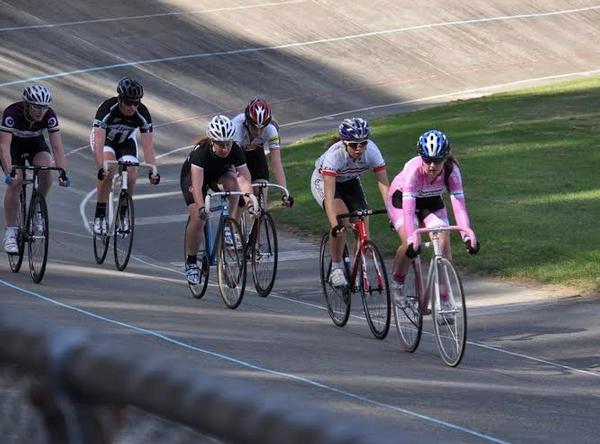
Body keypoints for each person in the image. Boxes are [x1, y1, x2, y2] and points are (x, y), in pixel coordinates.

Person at [386, 129, 479, 307]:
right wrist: (413, 237)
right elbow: (408, 208)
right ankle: (398, 283)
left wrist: (467, 236)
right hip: (402, 201)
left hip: (431, 201)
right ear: (421, 157)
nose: (431, 166)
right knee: (410, 243)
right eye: (427, 160)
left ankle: (444, 298)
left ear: (445, 158)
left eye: (437, 161)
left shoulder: (452, 170)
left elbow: (459, 207)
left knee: (443, 245)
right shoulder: (413, 170)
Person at [310, 117, 389, 288]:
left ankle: (357, 267)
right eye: (354, 145)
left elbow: (384, 185)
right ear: (345, 143)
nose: (359, 148)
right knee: (341, 220)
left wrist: (393, 214)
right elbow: (330, 195)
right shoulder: (335, 155)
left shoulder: (373, 151)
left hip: (350, 181)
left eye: (363, 143)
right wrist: (335, 225)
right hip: (326, 182)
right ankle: (336, 268)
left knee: (362, 222)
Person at [180, 115, 255, 285]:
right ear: (213, 142)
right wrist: (201, 208)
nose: (226, 148)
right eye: (221, 145)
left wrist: (251, 200)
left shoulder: (235, 149)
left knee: (234, 185)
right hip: (193, 179)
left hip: (218, 175)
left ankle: (230, 228)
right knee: (198, 218)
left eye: (228, 143)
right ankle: (191, 262)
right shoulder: (201, 153)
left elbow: (244, 179)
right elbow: (198, 187)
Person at [1, 84, 70, 253]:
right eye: (37, 107)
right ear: (27, 104)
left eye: (45, 107)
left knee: (46, 168)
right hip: (13, 147)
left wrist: (62, 172)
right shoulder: (12, 114)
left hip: (35, 145)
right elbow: (3, 146)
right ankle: (10, 231)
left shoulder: (50, 116)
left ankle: (38, 207)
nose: (41, 112)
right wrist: (10, 170)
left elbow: (57, 147)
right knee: (17, 181)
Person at [91, 76, 160, 235]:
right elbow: (99, 143)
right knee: (109, 170)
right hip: (105, 140)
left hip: (126, 142)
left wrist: (153, 171)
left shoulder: (142, 113)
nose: (132, 107)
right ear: (120, 99)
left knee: (132, 174)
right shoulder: (107, 109)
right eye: (129, 103)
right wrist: (101, 166)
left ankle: (123, 213)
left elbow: (148, 146)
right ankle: (100, 214)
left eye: (136, 103)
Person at [231, 98, 293, 207]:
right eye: (254, 127)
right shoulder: (237, 127)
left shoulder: (271, 130)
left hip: (256, 155)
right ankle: (234, 222)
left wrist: (284, 192)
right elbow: (233, 162)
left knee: (261, 198)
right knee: (240, 201)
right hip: (237, 156)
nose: (258, 132)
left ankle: (258, 220)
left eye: (262, 128)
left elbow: (276, 163)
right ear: (247, 122)